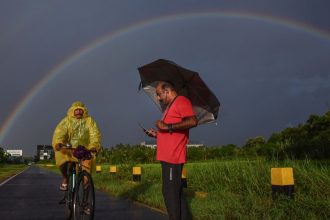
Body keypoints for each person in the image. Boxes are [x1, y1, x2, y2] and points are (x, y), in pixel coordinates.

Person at [146, 81, 198, 220]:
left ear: (168, 91)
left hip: (173, 157)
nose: (158, 98)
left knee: (170, 194)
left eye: (159, 94)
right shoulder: (169, 106)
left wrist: (166, 127)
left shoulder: (181, 101)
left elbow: (193, 121)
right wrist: (157, 133)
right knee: (176, 193)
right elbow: (170, 133)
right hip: (167, 157)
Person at [52, 101, 101, 191]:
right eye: (76, 110)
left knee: (87, 177)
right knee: (61, 158)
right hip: (69, 150)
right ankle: (65, 178)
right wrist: (59, 143)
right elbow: (60, 133)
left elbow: (94, 134)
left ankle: (86, 200)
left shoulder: (90, 121)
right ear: (72, 111)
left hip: (85, 150)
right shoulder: (66, 121)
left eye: (80, 110)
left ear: (84, 111)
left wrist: (94, 146)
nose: (78, 112)